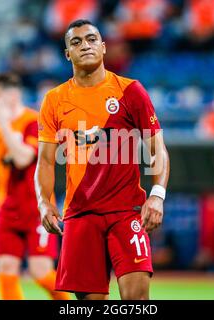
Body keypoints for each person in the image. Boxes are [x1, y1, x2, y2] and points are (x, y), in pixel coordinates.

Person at [35, 19, 170, 300]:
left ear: (104, 47)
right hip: (80, 215)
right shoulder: (54, 100)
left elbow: (157, 148)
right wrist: (44, 202)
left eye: (92, 39)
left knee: (137, 300)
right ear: (67, 54)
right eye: (76, 42)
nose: (85, 45)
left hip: (126, 212)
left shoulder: (130, 91)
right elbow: (46, 161)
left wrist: (157, 195)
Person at [0, 73, 69, 300]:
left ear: (13, 94)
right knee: (5, 269)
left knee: (40, 272)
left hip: (37, 210)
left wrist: (4, 124)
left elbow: (23, 158)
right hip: (7, 210)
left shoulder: (34, 121)